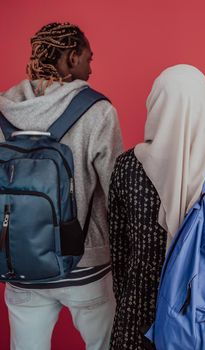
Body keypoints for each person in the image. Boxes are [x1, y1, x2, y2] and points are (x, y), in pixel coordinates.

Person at [108, 64, 205, 349]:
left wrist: (126, 299)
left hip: (140, 308)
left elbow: (118, 245)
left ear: (156, 104)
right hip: (204, 312)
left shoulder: (127, 166)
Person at [0, 22, 122, 350]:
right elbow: (116, 192)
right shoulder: (97, 111)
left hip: (20, 265)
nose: (91, 68)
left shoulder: (2, 109)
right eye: (87, 59)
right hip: (86, 267)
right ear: (71, 58)